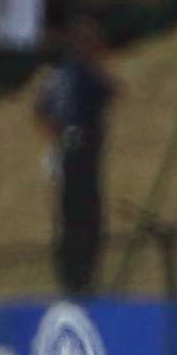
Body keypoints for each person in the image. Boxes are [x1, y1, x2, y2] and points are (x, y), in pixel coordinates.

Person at [32, 17, 115, 299]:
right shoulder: (83, 72)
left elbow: (40, 108)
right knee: (86, 216)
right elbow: (111, 91)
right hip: (83, 152)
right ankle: (83, 279)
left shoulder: (57, 74)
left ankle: (70, 277)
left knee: (67, 216)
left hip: (65, 147)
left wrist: (55, 135)